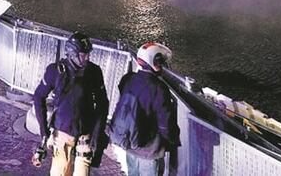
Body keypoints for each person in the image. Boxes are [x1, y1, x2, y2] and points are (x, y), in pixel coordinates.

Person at [32, 32, 110, 176]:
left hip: (85, 136)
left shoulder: (94, 72)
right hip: (62, 135)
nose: (86, 58)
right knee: (60, 173)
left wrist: (97, 134)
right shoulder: (54, 71)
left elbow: (103, 104)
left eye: (87, 54)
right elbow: (38, 97)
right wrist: (44, 131)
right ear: (72, 53)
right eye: (82, 55)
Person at [107, 42, 181, 176]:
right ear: (153, 61)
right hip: (150, 151)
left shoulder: (128, 79)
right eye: (160, 62)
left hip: (131, 145)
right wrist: (172, 141)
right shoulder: (158, 88)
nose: (162, 65)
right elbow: (165, 123)